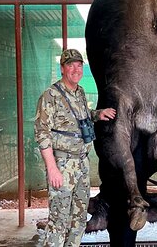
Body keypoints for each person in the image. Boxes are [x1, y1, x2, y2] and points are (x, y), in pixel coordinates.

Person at [34, 48, 116, 247]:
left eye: (79, 65)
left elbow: (81, 116)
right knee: (59, 221)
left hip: (81, 164)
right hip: (62, 164)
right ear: (62, 68)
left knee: (79, 220)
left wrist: (98, 114)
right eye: (71, 65)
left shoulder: (78, 91)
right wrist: (52, 168)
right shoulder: (50, 95)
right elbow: (41, 133)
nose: (76, 70)